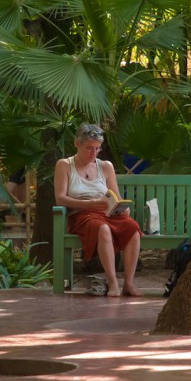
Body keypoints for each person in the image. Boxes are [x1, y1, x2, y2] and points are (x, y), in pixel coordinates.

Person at [55, 123, 143, 297]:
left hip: (106, 212)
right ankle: (112, 283)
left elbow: (115, 196)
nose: (93, 153)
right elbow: (60, 198)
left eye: (97, 149)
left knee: (133, 228)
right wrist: (90, 204)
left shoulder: (105, 166)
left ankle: (129, 283)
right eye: (89, 148)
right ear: (77, 143)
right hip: (82, 214)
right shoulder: (64, 165)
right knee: (102, 228)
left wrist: (121, 208)